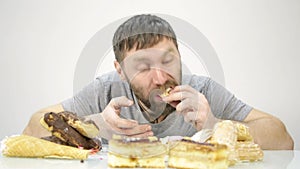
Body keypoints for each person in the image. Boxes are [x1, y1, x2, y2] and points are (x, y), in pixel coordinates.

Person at [23, 14, 294, 150]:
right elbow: (32, 129)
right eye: (142, 67)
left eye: (168, 61)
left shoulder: (204, 90)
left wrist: (216, 126)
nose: (160, 77)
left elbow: (283, 139)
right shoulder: (104, 89)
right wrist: (95, 125)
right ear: (120, 70)